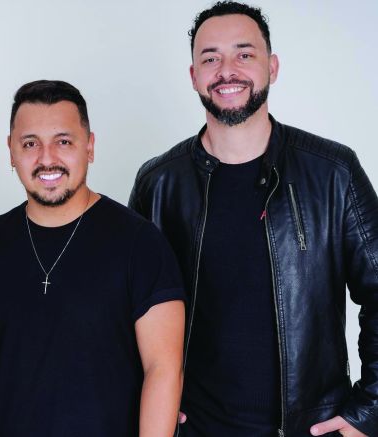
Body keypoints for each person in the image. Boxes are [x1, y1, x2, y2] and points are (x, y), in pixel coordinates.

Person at [128, 2, 378, 436]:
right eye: (211, 59)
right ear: (193, 76)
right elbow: (124, 311)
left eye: (244, 54)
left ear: (272, 67)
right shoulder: (159, 184)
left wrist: (368, 411)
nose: (227, 71)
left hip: (309, 429)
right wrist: (152, 405)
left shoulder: (333, 172)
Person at [0, 80, 185, 436]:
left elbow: (164, 369)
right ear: (11, 151)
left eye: (63, 142)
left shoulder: (140, 243)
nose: (47, 159)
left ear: (89, 147)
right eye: (30, 144)